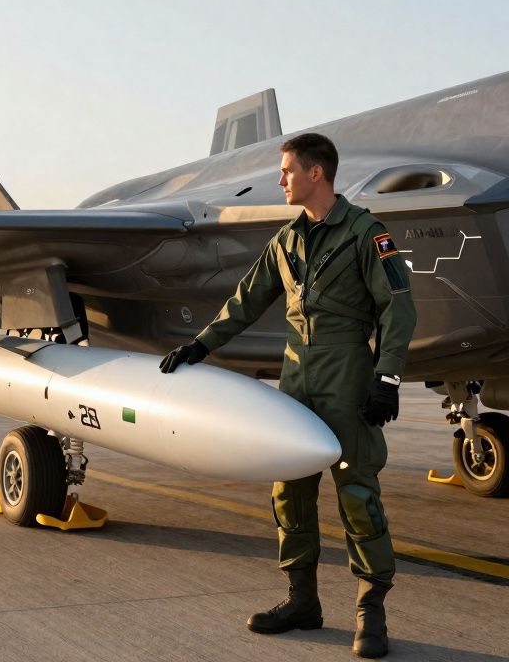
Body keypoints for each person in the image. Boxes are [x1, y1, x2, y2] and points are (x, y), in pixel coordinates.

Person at [159, 132, 416, 659]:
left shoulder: (366, 233)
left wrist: (387, 377)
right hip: (296, 379)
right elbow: (246, 300)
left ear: (315, 173)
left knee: (357, 493)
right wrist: (200, 346)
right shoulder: (286, 240)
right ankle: (302, 601)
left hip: (346, 374)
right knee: (289, 492)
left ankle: (371, 613)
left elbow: (399, 306)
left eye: (287, 170)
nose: (280, 180)